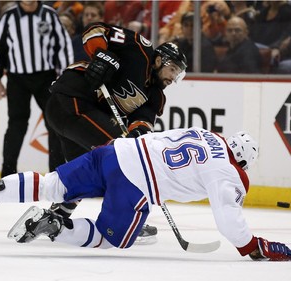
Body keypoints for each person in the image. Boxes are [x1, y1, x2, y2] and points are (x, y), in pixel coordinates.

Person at [0, 127, 291, 261]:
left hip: (116, 152)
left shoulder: (203, 132)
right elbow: (226, 215)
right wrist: (251, 245)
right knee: (109, 239)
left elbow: (156, 136)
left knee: (52, 182)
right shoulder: (229, 171)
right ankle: (53, 226)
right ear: (242, 161)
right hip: (137, 183)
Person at [44, 21, 187, 243]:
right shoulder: (140, 49)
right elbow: (95, 30)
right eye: (173, 70)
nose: (173, 78)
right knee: (123, 156)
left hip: (75, 117)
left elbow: (141, 123)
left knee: (85, 168)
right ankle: (124, 220)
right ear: (160, 60)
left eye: (178, 74)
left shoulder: (155, 96)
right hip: (70, 98)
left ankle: (58, 214)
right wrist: (102, 55)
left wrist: (137, 135)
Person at [0, 0, 74, 177]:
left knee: (54, 124)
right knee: (16, 125)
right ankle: (8, 174)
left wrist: (65, 77)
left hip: (46, 78)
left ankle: (56, 174)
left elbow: (63, 46)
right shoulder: (9, 17)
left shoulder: (49, 15)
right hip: (17, 79)